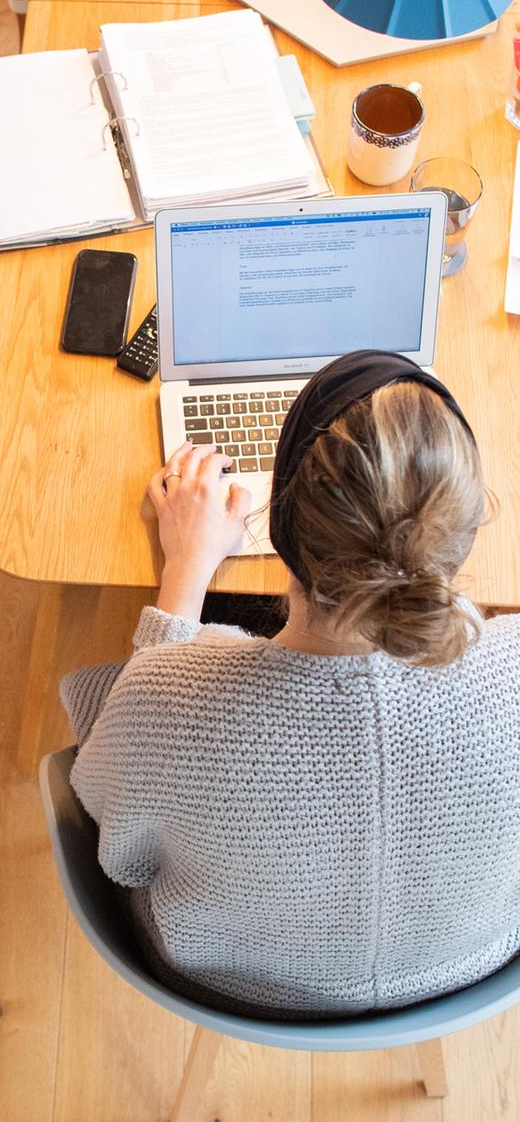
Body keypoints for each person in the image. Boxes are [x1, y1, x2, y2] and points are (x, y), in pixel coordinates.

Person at [62, 350, 520, 1019]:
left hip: (228, 980)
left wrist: (185, 573)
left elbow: (121, 847)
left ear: (279, 525)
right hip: (466, 966)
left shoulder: (169, 699)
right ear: (464, 533)